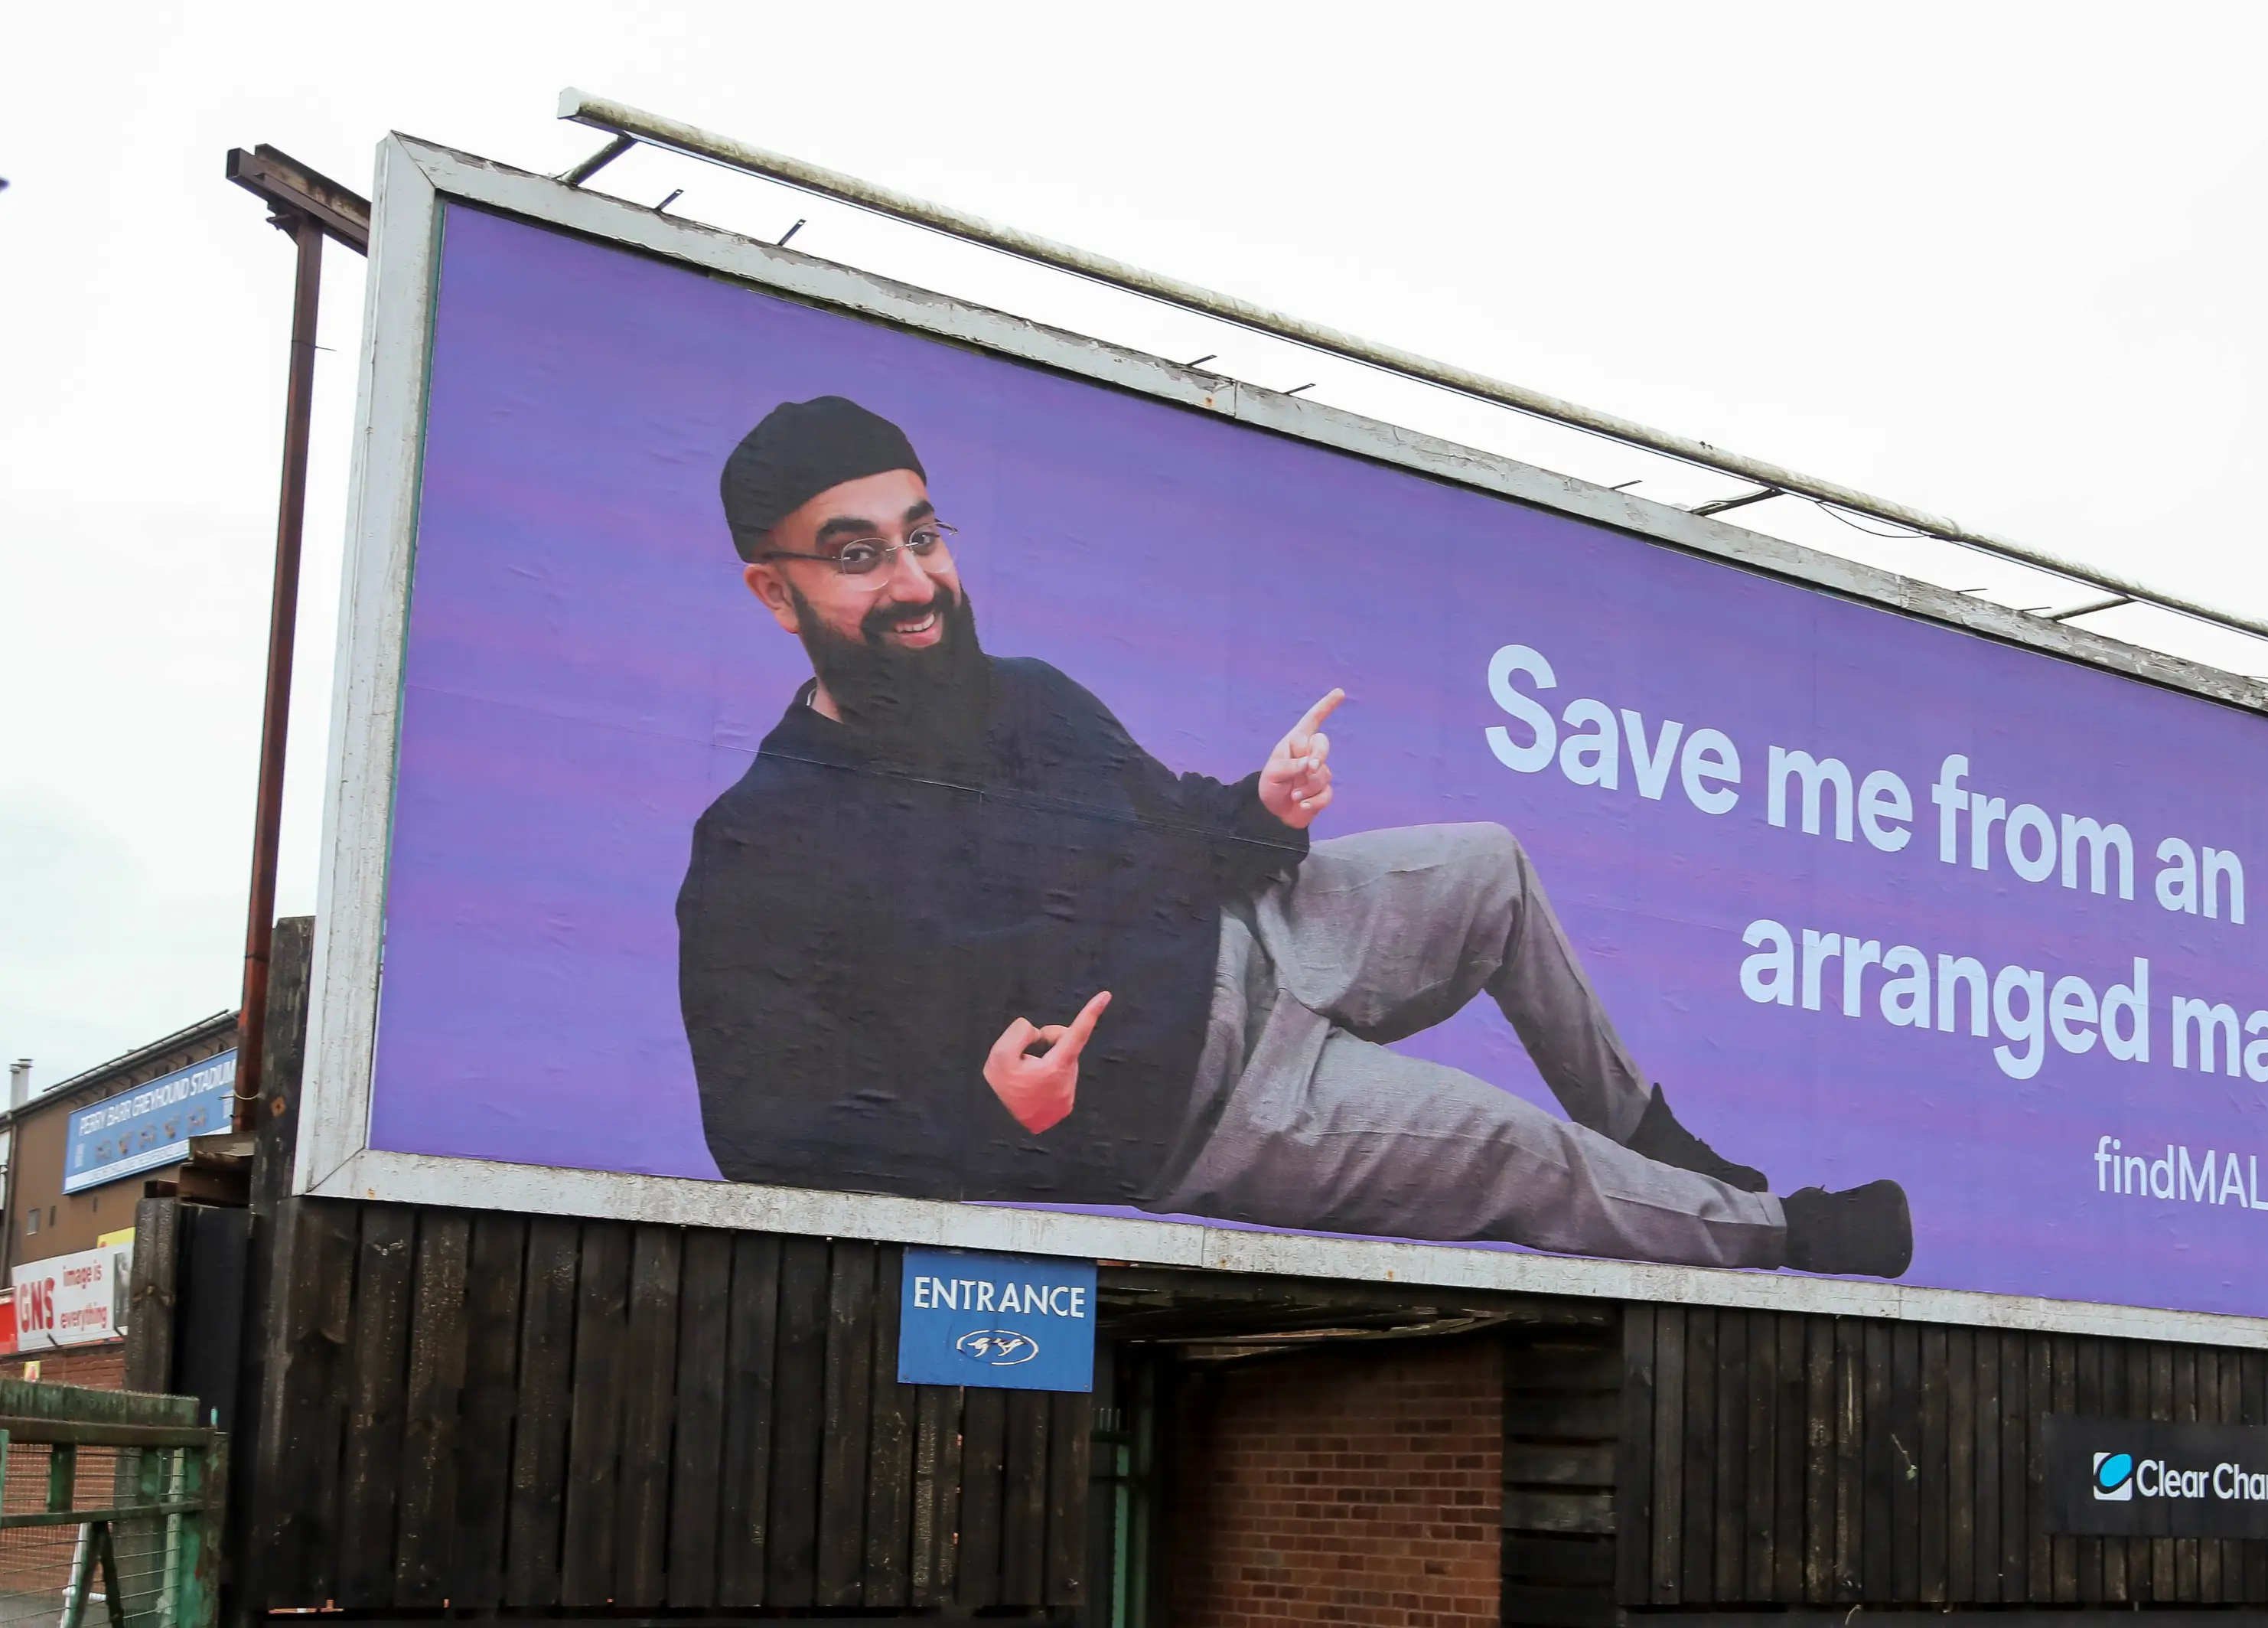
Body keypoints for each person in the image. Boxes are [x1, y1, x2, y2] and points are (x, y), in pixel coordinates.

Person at [676, 396, 1912, 1277]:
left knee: (1487, 861)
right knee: (1522, 1154)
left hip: (1254, 937)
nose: (912, 581)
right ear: (772, 593)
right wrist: (994, 1117)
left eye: (922, 536)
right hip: (1216, 1108)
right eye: (856, 555)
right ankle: (1784, 1236)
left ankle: (1666, 1144)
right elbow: (760, 1133)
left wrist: (1261, 809)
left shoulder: (1029, 697)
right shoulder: (763, 842)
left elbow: (1179, 830)